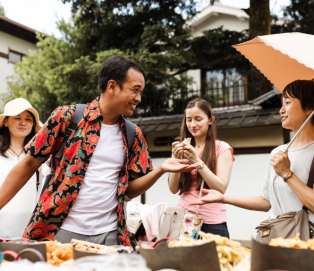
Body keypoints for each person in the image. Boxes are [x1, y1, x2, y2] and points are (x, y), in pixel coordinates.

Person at [0, 55, 198, 245]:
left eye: (141, 92)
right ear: (112, 86)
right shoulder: (67, 117)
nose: (139, 98)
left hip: (110, 234)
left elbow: (129, 191)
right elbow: (28, 164)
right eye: (135, 90)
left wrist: (161, 169)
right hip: (60, 229)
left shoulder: (133, 134)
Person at [191, 80, 314, 231]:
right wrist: (223, 198)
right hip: (277, 239)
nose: (281, 110)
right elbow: (266, 202)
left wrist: (287, 173)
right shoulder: (278, 153)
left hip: (305, 245)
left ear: (309, 108)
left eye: (287, 103)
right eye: (282, 104)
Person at [168, 98, 234, 238]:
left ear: (210, 120)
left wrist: (197, 162)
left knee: (216, 260)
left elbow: (221, 187)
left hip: (213, 222)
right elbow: (173, 189)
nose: (192, 124)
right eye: (189, 119)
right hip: (184, 218)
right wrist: (176, 160)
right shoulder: (183, 148)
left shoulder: (222, 148)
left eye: (198, 119)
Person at [0, 98, 48, 240]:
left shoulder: (39, 159)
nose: (23, 123)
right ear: (5, 122)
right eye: (17, 118)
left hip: (27, 235)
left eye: (28, 119)